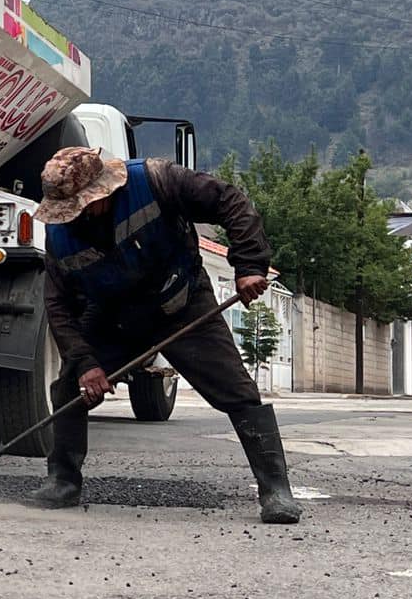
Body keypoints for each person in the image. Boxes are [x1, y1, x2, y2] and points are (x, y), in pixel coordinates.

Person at [33, 146, 301, 524]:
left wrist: (249, 264)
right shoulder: (59, 237)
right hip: (115, 318)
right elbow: (58, 306)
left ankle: (275, 489)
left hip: (183, 303)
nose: (73, 216)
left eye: (80, 205)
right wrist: (86, 363)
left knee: (239, 392)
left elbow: (232, 202)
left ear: (102, 192)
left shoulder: (158, 181)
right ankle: (63, 482)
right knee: (69, 390)